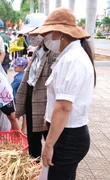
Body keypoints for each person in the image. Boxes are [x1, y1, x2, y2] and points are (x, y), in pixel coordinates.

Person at [30, 8, 96, 179]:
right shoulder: (68, 56)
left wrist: (49, 145)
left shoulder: (73, 59)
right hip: (64, 133)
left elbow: (63, 108)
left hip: (68, 137)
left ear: (60, 34)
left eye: (47, 34)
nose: (44, 39)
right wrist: (48, 119)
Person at [15, 13, 57, 160]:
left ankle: (49, 167)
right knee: (32, 138)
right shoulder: (37, 51)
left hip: (45, 101)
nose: (30, 36)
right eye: (29, 33)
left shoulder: (53, 53)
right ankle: (34, 167)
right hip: (32, 97)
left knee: (49, 136)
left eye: (33, 33)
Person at [11, 57, 28, 134]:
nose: (14, 67)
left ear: (22, 67)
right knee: (25, 114)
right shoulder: (25, 75)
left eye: (16, 66)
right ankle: (23, 129)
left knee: (16, 114)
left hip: (17, 99)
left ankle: (16, 130)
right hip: (25, 98)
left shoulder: (17, 78)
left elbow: (11, 88)